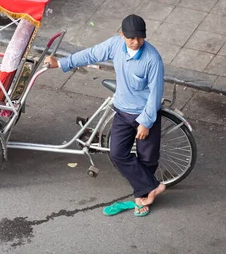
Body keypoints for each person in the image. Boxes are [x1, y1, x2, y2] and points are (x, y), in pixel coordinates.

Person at [45, 14, 166, 216]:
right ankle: (152, 186)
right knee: (117, 153)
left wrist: (145, 122)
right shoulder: (115, 45)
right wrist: (62, 63)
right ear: (122, 35)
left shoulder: (152, 59)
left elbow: (155, 93)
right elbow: (91, 54)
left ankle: (142, 194)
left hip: (143, 115)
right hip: (121, 110)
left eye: (140, 38)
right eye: (131, 38)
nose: (136, 42)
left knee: (147, 158)